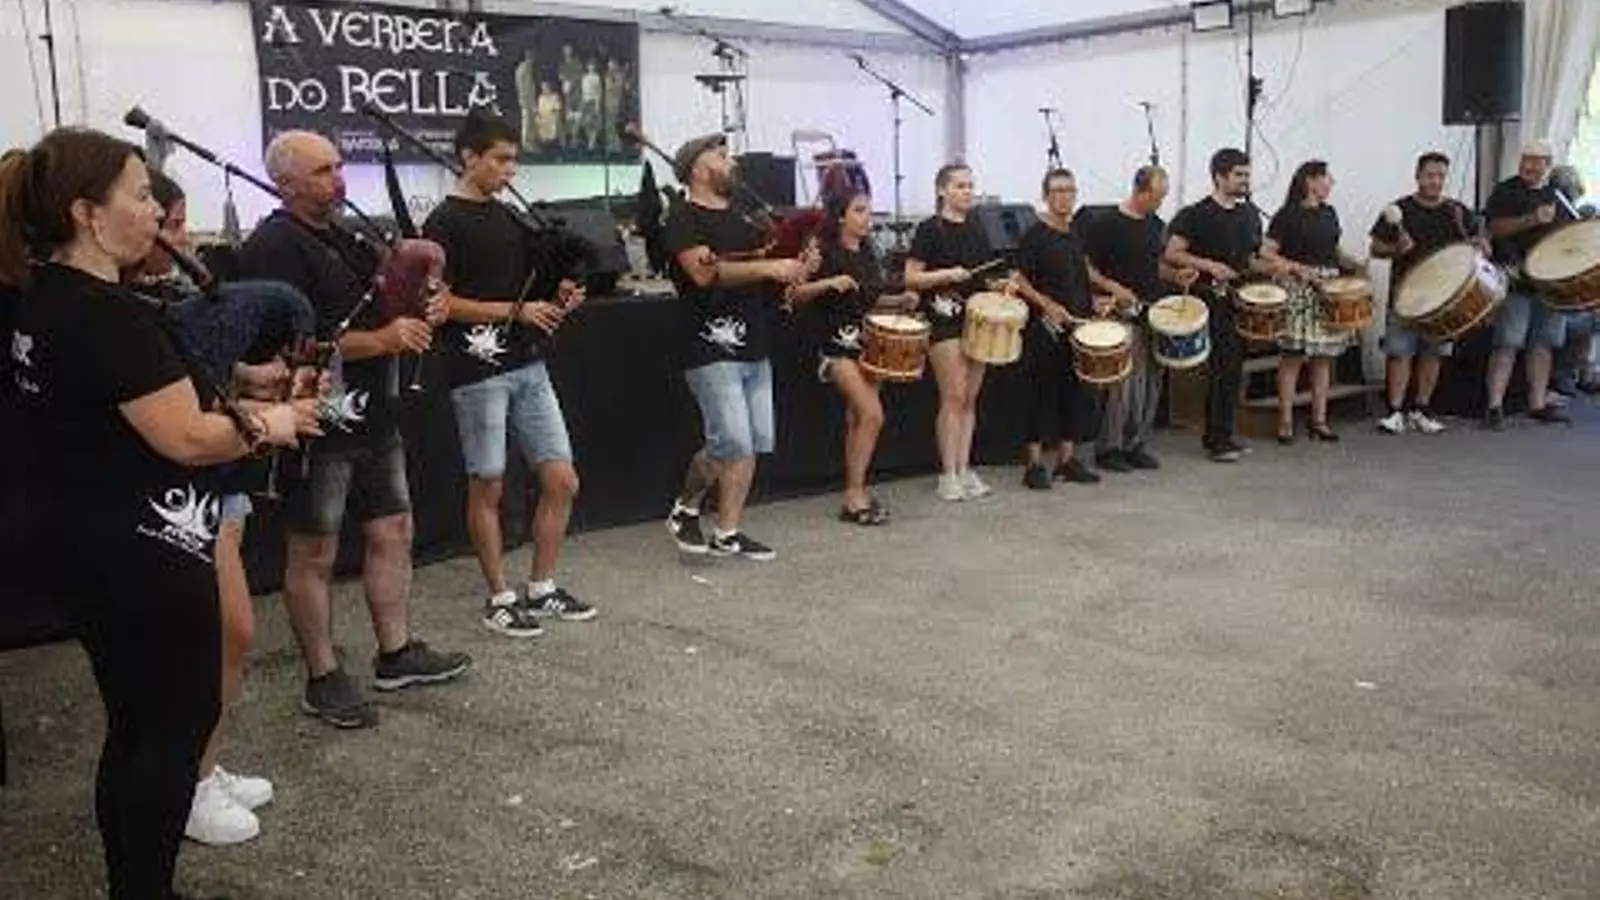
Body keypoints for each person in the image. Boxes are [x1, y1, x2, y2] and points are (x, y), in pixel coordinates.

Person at [1, 127, 313, 900]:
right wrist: (270, 423)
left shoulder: (44, 297)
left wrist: (237, 394)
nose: (155, 211)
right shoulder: (106, 315)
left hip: (83, 541)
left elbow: (130, 402)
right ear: (87, 212)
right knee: (173, 727)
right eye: (140, 195)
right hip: (140, 552)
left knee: (136, 723)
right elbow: (185, 436)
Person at [237, 131, 471, 729]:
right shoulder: (273, 246)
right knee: (314, 549)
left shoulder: (346, 235)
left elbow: (392, 298)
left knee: (392, 529)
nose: (338, 178)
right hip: (315, 421)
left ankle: (395, 653)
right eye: (322, 170)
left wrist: (430, 299)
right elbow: (288, 346)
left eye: (338, 166)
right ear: (286, 182)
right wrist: (383, 339)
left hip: (373, 415)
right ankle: (322, 675)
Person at [130, 171, 281, 845]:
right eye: (170, 222)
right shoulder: (120, 311)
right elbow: (173, 417)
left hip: (216, 479)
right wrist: (264, 418)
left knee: (227, 634)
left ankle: (202, 767)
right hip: (183, 489)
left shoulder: (160, 298)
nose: (183, 238)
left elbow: (187, 374)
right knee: (225, 632)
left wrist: (245, 378)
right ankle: (187, 783)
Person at [423, 112, 594, 637]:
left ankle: (541, 587)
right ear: (469, 158)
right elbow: (443, 304)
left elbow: (528, 286)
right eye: (500, 159)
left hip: (526, 361)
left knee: (561, 479)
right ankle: (499, 596)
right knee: (488, 484)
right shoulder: (442, 223)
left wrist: (558, 296)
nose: (510, 170)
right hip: (476, 366)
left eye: (514, 160)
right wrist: (516, 312)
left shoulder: (510, 218)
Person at [663, 134, 808, 558]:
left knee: (754, 440)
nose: (732, 162)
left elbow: (762, 271)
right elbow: (703, 274)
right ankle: (685, 507)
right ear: (698, 168)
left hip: (753, 340)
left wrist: (793, 269)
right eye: (722, 156)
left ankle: (727, 531)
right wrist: (771, 267)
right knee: (731, 440)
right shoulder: (682, 217)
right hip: (709, 343)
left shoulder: (743, 216)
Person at [785, 188, 911, 523]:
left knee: (859, 419)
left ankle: (856, 492)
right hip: (835, 346)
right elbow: (794, 295)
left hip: (867, 345)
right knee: (872, 415)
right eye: (859, 210)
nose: (867, 217)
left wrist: (899, 301)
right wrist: (828, 283)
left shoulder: (869, 252)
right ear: (841, 216)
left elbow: (868, 299)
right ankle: (854, 494)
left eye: (868, 210)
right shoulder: (823, 251)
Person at [1083, 165, 1196, 470]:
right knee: (1122, 384)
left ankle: (1136, 443)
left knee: (1151, 382)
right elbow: (1085, 267)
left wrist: (1176, 274)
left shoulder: (1155, 225)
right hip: (1119, 312)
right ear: (1140, 191)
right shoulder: (1106, 224)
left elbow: (1154, 264)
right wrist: (1112, 287)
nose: (1160, 203)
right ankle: (1110, 447)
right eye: (1157, 197)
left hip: (1151, 310)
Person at [904, 163, 1003, 500]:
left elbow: (983, 279)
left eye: (970, 185)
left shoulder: (977, 229)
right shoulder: (929, 229)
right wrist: (946, 275)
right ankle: (947, 474)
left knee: (970, 397)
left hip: (975, 319)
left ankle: (964, 467)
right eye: (960, 186)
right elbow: (911, 277)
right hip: (942, 317)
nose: (967, 191)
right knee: (954, 394)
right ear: (942, 190)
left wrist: (1000, 287)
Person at [1165, 148, 1270, 462]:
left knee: (1233, 368)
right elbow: (1172, 252)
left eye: (1247, 174)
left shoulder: (1249, 214)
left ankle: (1224, 433)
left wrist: (1275, 267)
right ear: (1219, 177)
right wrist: (1209, 265)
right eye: (1239, 175)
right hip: (1210, 297)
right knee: (1224, 365)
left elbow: (1251, 257)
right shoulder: (1195, 214)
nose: (1245, 180)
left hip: (1241, 297)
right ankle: (1216, 439)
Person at [1368, 152, 1477, 434]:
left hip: (1444, 297)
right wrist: (1396, 249)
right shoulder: (1399, 209)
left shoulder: (1456, 211)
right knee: (1400, 353)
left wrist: (1480, 247)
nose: (1435, 181)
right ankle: (1395, 411)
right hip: (1405, 294)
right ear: (1417, 177)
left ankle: (1422, 409)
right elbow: (1375, 249)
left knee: (1434, 353)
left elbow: (1478, 240)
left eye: (1440, 176)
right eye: (1430, 175)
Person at [1259, 160, 1367, 444]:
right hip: (1298, 288)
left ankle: (1319, 420)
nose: (1332, 183)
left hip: (1327, 287)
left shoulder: (1329, 212)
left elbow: (1333, 249)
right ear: (1310, 181)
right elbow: (1266, 253)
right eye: (1327, 178)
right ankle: (1285, 421)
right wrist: (1295, 267)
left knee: (1323, 357)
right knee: (1292, 356)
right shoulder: (1287, 215)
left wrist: (1355, 264)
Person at [1011, 168, 1102, 490]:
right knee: (1039, 392)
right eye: (1058, 191)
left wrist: (1096, 302)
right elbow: (1018, 279)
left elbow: (1080, 276)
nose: (1065, 197)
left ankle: (1066, 460)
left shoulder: (1075, 233)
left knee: (1073, 392)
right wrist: (1046, 304)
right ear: (1046, 196)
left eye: (1070, 191)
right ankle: (1034, 464)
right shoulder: (1034, 236)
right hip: (1044, 326)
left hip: (1076, 324)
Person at [1481, 140, 1575, 429]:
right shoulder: (1505, 191)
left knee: (1544, 343)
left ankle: (1537, 404)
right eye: (1526, 159)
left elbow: (1569, 236)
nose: (1529, 166)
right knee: (1507, 342)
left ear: (1548, 165)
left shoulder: (1558, 196)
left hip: (1549, 284)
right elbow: (1494, 227)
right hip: (1516, 279)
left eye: (1536, 161)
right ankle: (1494, 406)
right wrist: (1532, 219)